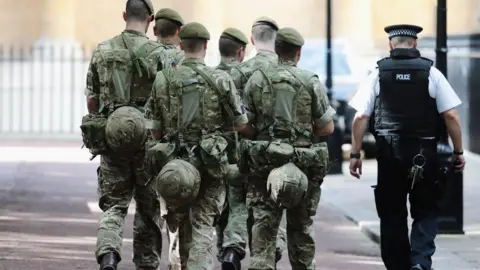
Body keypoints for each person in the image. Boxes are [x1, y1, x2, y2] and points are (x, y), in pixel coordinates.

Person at [348, 24, 466, 270]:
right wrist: (458, 152)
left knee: (392, 213)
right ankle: (420, 262)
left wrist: (356, 153)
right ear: (415, 44)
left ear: (391, 45)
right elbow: (451, 116)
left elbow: (360, 117)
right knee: (425, 209)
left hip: (389, 156)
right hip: (424, 154)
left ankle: (398, 265)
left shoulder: (377, 74)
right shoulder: (431, 73)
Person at [143, 21, 254, 269]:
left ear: (181, 45)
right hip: (210, 166)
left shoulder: (163, 78)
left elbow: (155, 128)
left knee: (180, 227)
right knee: (203, 227)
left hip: (176, 166)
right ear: (206, 46)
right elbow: (239, 123)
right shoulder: (221, 79)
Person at [82, 0, 167, 269]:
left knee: (114, 206)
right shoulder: (160, 54)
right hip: (148, 142)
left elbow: (92, 101)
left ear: (124, 15)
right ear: (150, 19)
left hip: (113, 138)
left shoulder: (103, 50)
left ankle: (108, 253)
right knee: (148, 209)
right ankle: (146, 263)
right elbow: (167, 102)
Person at [242, 27, 335, 269]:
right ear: (299, 53)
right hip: (302, 164)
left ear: (276, 50)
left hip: (264, 164)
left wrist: (264, 134)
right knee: (301, 228)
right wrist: (304, 131)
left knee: (263, 228)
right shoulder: (310, 81)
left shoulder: (257, 79)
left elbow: (245, 126)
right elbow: (327, 128)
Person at [226, 16, 287, 268]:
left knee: (239, 202)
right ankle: (274, 247)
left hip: (244, 150)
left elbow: (229, 115)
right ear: (277, 39)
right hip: (280, 150)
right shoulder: (287, 71)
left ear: (251, 40)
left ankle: (232, 246)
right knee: (275, 204)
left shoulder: (238, 72)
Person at [212, 27, 249, 269]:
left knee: (220, 204)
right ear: (241, 51)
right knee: (239, 203)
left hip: (215, 150)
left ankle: (222, 252)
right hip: (240, 149)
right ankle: (232, 248)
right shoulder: (248, 76)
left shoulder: (209, 76)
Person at [152, 7, 184, 270]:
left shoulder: (144, 53)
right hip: (178, 143)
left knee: (147, 207)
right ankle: (177, 257)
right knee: (178, 202)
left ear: (155, 29)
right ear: (180, 32)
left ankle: (147, 261)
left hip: (147, 139)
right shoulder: (186, 61)